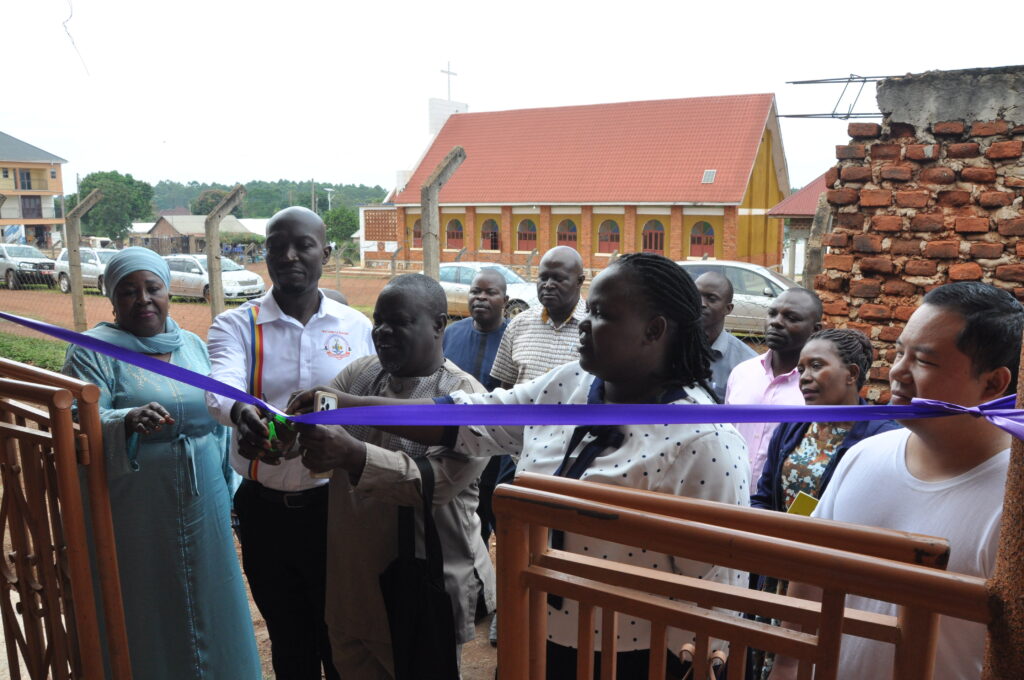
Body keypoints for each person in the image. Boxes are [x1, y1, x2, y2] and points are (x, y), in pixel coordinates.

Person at [296, 253, 750, 679]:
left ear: (654, 330)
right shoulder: (572, 384)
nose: (584, 326)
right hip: (530, 638)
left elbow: (715, 594)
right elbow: (471, 421)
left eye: (602, 315)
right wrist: (348, 407)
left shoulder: (704, 442)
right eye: (588, 310)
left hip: (627, 657)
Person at [772, 282, 1024, 680]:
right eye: (900, 352)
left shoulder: (1012, 500)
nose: (898, 372)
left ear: (993, 384)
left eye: (923, 361)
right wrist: (786, 667)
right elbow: (808, 584)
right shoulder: (864, 457)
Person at [62, 247, 260, 680]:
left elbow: (220, 420)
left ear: (169, 291)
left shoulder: (191, 345)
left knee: (212, 594)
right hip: (135, 506)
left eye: (153, 288)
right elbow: (78, 419)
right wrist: (125, 420)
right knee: (144, 598)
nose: (143, 299)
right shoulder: (92, 350)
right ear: (111, 299)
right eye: (128, 291)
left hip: (204, 494)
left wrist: (232, 491)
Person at [291, 274, 495, 678]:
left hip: (419, 592)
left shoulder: (466, 398)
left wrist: (351, 454)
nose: (382, 332)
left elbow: (429, 486)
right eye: (378, 320)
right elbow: (312, 424)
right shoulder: (360, 375)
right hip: (350, 587)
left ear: (439, 324)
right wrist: (282, 435)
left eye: (398, 321)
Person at [206, 206, 374, 680]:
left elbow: (370, 406)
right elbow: (221, 383)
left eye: (302, 244)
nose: (289, 255)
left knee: (340, 635)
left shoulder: (355, 328)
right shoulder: (236, 325)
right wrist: (241, 411)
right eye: (277, 245)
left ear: (326, 251)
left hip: (336, 510)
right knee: (288, 638)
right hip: (263, 512)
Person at [748, 328, 899, 679]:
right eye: (801, 369)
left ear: (852, 374)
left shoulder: (883, 436)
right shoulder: (792, 426)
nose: (805, 378)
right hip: (779, 571)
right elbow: (764, 495)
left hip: (834, 579)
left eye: (816, 366)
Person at [441, 267, 513, 641]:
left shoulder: (512, 337)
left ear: (505, 299)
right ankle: (480, 600)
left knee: (503, 531)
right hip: (458, 456)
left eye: (490, 293)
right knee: (469, 534)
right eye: (475, 291)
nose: (480, 298)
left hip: (500, 458)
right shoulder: (451, 334)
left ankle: (507, 608)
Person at [726, 287, 822, 478]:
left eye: (791, 318)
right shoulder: (742, 373)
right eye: (772, 313)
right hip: (731, 493)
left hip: (778, 502)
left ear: (816, 329)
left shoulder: (818, 388)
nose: (776, 322)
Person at [490, 245, 587, 388]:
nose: (547, 285)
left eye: (558, 279)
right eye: (543, 277)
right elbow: (507, 390)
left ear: (579, 281)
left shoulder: (595, 328)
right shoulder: (518, 325)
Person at [695, 271, 756, 401]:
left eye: (711, 299)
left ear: (728, 309)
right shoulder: (668, 347)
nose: (701, 303)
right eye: (696, 295)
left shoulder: (746, 363)